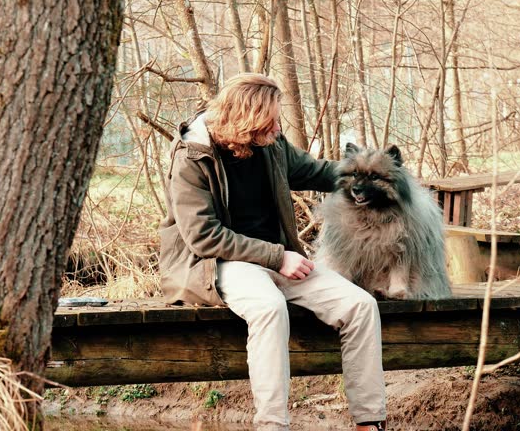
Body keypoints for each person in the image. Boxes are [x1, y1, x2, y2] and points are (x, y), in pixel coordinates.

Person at [158, 73, 388, 431]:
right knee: (269, 307)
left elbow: (315, 171)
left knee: (360, 306)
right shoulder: (193, 155)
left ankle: (369, 422)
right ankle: (272, 425)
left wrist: (371, 173)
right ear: (247, 120)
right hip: (214, 264)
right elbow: (203, 237)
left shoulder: (270, 143)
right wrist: (278, 258)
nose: (279, 127)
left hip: (278, 259)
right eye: (272, 120)